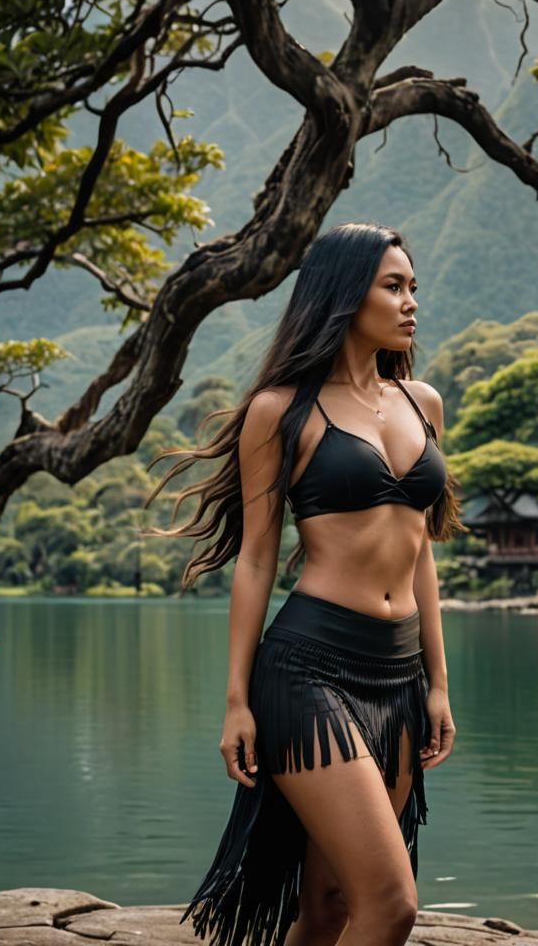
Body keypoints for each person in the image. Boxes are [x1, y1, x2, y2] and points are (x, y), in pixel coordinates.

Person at [148, 222, 465, 946]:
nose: (411, 302)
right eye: (393, 286)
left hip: (398, 677)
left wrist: (438, 683)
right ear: (345, 293)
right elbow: (257, 560)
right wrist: (236, 701)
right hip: (308, 673)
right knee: (392, 905)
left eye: (413, 286)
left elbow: (420, 551)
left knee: (330, 905)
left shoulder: (423, 403)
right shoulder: (281, 411)